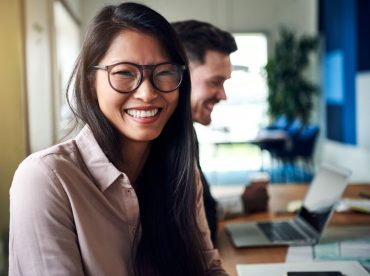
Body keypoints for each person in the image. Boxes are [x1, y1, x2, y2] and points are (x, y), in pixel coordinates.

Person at [9, 3, 228, 276]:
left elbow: (208, 268)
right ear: (91, 82)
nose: (147, 94)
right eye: (124, 73)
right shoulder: (46, 179)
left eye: (164, 72)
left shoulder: (180, 171)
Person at [173, 20, 269, 244]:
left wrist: (241, 203)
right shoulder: (156, 144)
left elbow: (196, 214)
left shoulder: (185, 134)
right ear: (175, 75)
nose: (223, 95)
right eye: (215, 82)